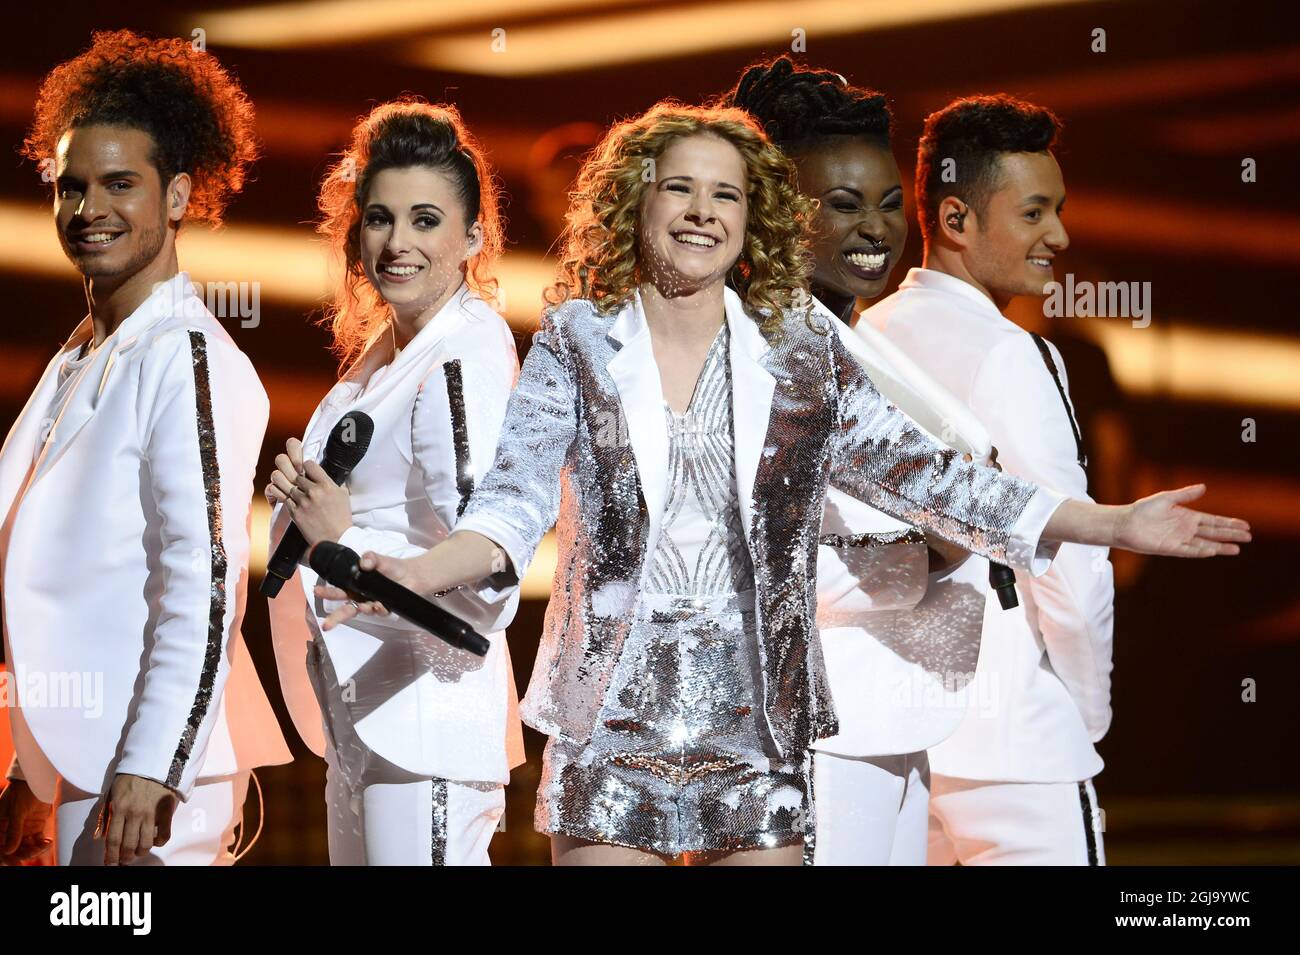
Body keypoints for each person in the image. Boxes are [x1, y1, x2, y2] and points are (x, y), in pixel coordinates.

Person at [302, 101, 1249, 867]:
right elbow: (507, 510)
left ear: (754, 219)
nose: (703, 211)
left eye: (726, 194)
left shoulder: (798, 352)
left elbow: (934, 481)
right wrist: (406, 571)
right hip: (608, 724)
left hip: (759, 724)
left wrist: (1103, 521)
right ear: (638, 202)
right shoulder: (579, 340)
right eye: (680, 189)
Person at [0, 30, 289, 866]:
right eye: (72, 186)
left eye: (120, 184)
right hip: (83, 763)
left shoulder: (186, 357)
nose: (89, 209)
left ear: (179, 196)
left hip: (151, 775)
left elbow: (203, 578)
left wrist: (157, 760)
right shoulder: (80, 354)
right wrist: (30, 765)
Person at [728, 55, 987, 865]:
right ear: (773, 215)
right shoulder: (755, 350)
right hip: (809, 721)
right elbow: (742, 559)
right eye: (841, 206)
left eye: (884, 203)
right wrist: (926, 555)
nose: (875, 229)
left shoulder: (850, 335)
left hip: (890, 711)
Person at [265, 100, 525, 866]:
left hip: (427, 717)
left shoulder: (463, 356)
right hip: (364, 708)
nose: (397, 242)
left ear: (473, 235)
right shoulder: (386, 352)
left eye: (424, 219)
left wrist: (341, 531)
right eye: (379, 218)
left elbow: (491, 577)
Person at [862, 93, 1116, 864]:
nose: (1060, 236)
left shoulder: (863, 335)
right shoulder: (1015, 354)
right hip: (1019, 747)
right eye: (1035, 212)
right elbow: (1069, 556)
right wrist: (1085, 710)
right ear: (956, 220)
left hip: (896, 744)